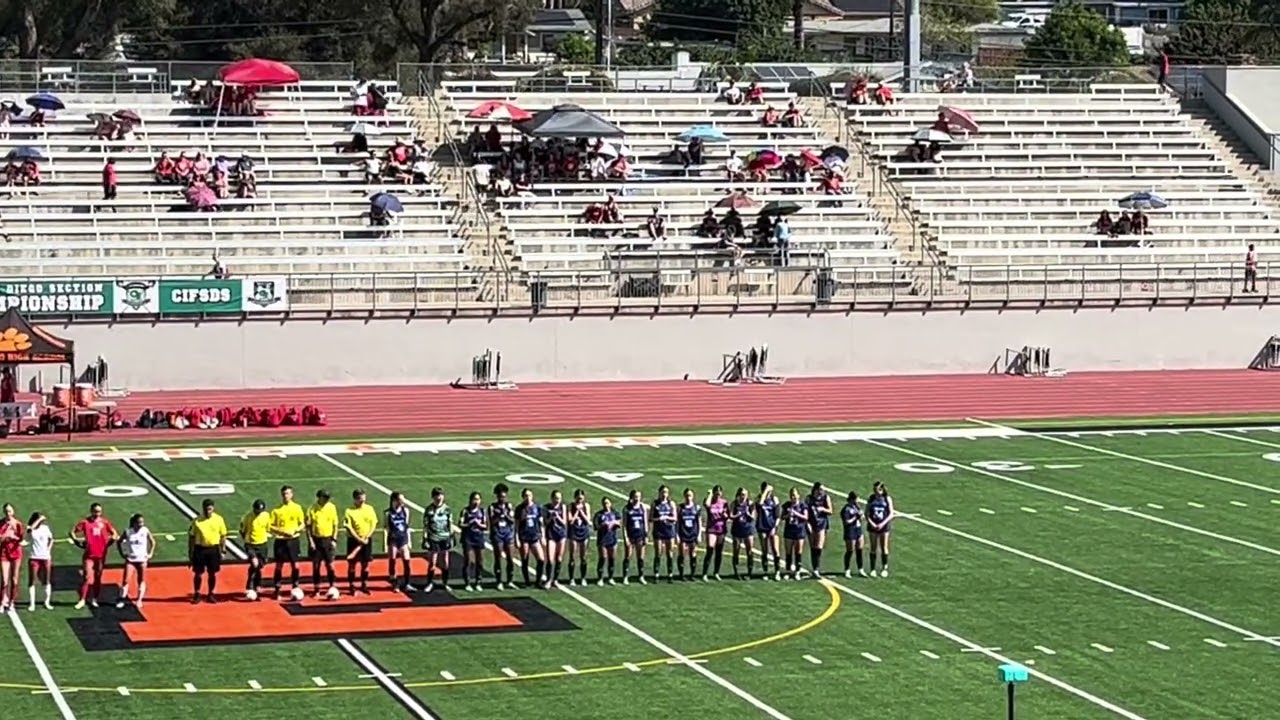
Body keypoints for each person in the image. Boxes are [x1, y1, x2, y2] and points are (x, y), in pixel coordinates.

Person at [70, 503, 117, 609]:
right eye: (95, 511)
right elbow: (72, 532)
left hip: (101, 555)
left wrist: (110, 542)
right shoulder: (85, 522)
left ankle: (94, 599)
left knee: (98, 577)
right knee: (87, 576)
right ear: (91, 511)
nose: (97, 514)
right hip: (89, 554)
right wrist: (77, 542)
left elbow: (114, 533)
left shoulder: (105, 522)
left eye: (99, 511)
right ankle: (82, 599)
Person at [269, 485, 305, 600]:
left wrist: (295, 530)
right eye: (284, 494)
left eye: (288, 493)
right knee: (279, 566)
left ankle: (295, 586)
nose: (286, 496)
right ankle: (277, 588)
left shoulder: (297, 508)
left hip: (293, 540)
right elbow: (270, 526)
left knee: (295, 565)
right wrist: (282, 532)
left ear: (292, 494)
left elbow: (302, 524)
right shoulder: (276, 510)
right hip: (280, 541)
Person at [188, 499, 227, 604]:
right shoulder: (197, 521)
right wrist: (190, 552)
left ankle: (211, 593)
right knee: (198, 573)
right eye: (206, 509)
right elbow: (191, 537)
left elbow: (223, 535)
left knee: (212, 573)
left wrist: (223, 550)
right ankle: (197, 593)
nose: (208, 511)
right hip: (200, 549)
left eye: (210, 509)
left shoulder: (219, 519)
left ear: (213, 508)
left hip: (213, 549)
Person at [306, 489, 340, 599]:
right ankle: (316, 589)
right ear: (319, 497)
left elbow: (335, 525)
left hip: (328, 539)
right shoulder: (312, 509)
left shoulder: (331, 507)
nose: (326, 500)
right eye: (324, 497)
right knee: (316, 566)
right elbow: (308, 527)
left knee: (330, 565)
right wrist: (310, 541)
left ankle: (332, 586)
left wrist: (334, 539)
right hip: (316, 540)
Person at [116, 513, 154, 609]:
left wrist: (150, 553)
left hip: (142, 560)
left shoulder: (145, 530)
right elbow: (119, 542)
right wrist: (122, 553)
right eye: (139, 522)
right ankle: (121, 599)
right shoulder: (128, 531)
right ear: (134, 523)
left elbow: (152, 541)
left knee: (141, 580)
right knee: (125, 580)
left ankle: (139, 600)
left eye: (142, 522)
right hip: (131, 560)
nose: (141, 524)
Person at [344, 489, 378, 596]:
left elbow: (373, 524)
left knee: (365, 564)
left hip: (366, 539)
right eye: (360, 499)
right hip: (353, 540)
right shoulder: (349, 511)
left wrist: (367, 536)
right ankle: (352, 586)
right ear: (355, 499)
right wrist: (359, 539)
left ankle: (364, 585)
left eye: (364, 499)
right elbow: (349, 527)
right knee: (352, 564)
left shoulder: (369, 509)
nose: (362, 501)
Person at [422, 487, 453, 593]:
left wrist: (451, 536)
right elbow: (425, 525)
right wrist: (425, 538)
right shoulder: (429, 509)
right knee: (432, 562)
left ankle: (445, 583)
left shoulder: (447, 509)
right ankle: (430, 583)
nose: (439, 498)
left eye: (441, 495)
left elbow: (450, 523)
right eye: (437, 496)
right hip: (433, 538)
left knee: (445, 561)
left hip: (445, 537)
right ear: (433, 497)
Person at [240, 499, 271, 600]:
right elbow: (243, 530)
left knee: (260, 566)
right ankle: (250, 585)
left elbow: (268, 528)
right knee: (255, 564)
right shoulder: (248, 517)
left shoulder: (266, 516)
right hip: (251, 544)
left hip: (262, 544)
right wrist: (246, 540)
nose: (258, 512)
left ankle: (257, 585)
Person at [515, 488, 546, 588]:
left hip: (534, 536)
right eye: (525, 496)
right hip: (524, 536)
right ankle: (527, 581)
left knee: (541, 559)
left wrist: (543, 536)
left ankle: (538, 581)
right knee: (525, 559)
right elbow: (516, 525)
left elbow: (541, 523)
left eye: (529, 495)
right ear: (522, 497)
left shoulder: (537, 507)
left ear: (532, 496)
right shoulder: (520, 509)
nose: (527, 498)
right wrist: (516, 538)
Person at [488, 484, 516, 590]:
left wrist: (506, 514)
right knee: (498, 558)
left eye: (504, 497)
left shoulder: (509, 506)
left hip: (508, 534)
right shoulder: (492, 507)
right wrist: (498, 515)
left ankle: (510, 580)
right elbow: (492, 521)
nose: (502, 499)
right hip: (498, 533)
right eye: (500, 497)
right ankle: (499, 581)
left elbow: (512, 520)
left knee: (510, 557)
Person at [385, 492, 413, 591]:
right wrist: (386, 543)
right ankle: (394, 582)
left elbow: (407, 526)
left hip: (403, 538)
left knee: (406, 560)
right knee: (392, 560)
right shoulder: (388, 513)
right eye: (400, 500)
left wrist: (409, 541)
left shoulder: (406, 511)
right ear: (395, 501)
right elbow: (387, 528)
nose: (403, 502)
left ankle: (407, 583)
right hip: (393, 539)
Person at [865, 481, 894, 577]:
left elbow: (891, 513)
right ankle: (872, 569)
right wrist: (871, 523)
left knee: (884, 547)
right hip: (873, 525)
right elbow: (867, 513)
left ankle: (884, 567)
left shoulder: (887, 499)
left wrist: (883, 523)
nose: (875, 492)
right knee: (873, 547)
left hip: (884, 526)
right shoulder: (871, 498)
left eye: (877, 489)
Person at [459, 492, 487, 592]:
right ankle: (467, 582)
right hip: (468, 538)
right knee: (469, 561)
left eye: (478, 499)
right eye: (475, 499)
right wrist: (470, 523)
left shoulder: (482, 511)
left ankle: (478, 581)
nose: (476, 502)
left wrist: (479, 524)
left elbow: (486, 526)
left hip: (479, 538)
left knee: (480, 561)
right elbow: (461, 524)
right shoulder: (465, 511)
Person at [26, 513, 53, 611]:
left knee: (46, 580)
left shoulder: (45, 528)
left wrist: (48, 549)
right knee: (32, 581)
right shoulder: (30, 528)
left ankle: (47, 602)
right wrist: (39, 519)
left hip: (45, 557)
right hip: (34, 557)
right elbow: (30, 530)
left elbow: (51, 539)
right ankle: (32, 603)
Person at [650, 485, 676, 583]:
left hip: (669, 530)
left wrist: (667, 518)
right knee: (658, 552)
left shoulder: (671, 503)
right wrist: (658, 519)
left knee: (670, 553)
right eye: (663, 492)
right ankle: (656, 574)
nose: (664, 494)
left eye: (666, 492)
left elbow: (675, 518)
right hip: (658, 530)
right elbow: (650, 518)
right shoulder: (655, 503)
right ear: (659, 492)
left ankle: (670, 574)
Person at [701, 486, 728, 581]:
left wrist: (725, 516)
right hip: (712, 528)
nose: (718, 494)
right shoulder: (709, 500)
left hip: (721, 528)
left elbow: (727, 514)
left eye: (719, 492)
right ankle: (704, 573)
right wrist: (710, 494)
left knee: (719, 551)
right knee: (710, 549)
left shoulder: (724, 502)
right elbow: (706, 504)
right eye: (716, 492)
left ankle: (716, 572)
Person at [621, 489, 648, 585]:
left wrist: (646, 535)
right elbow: (624, 525)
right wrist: (625, 537)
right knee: (628, 556)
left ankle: (641, 576)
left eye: (639, 497)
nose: (637, 499)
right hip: (631, 535)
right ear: (632, 497)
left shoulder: (642, 508)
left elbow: (645, 522)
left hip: (640, 535)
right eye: (636, 497)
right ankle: (625, 576)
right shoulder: (627, 509)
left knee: (640, 557)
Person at [806, 481, 833, 578]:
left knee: (819, 546)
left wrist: (822, 509)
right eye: (820, 490)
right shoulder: (809, 499)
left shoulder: (826, 498)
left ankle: (816, 568)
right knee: (813, 547)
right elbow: (806, 511)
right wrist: (807, 523)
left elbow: (830, 511)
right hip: (811, 523)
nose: (822, 491)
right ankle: (814, 568)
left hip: (821, 523)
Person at [756, 482, 782, 581]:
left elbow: (778, 514)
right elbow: (760, 504)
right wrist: (765, 491)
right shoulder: (759, 498)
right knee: (764, 550)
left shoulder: (774, 499)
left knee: (775, 550)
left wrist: (775, 526)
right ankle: (765, 571)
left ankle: (777, 571)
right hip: (762, 526)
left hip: (771, 527)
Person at [782, 488, 809, 580]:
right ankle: (788, 571)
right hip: (789, 530)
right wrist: (788, 515)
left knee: (798, 552)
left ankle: (797, 571)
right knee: (788, 552)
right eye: (791, 495)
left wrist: (796, 513)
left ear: (798, 495)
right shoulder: (786, 505)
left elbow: (806, 517)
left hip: (799, 530)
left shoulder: (802, 506)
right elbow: (782, 516)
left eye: (794, 495)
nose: (793, 497)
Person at [729, 487, 756, 580]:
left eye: (745, 494)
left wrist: (748, 514)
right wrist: (738, 515)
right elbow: (730, 515)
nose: (743, 496)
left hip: (748, 529)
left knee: (749, 550)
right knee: (736, 550)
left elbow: (753, 517)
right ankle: (736, 572)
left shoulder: (750, 503)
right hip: (737, 529)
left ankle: (749, 572)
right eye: (742, 494)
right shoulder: (735, 503)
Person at [566, 490, 592, 586]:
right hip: (573, 532)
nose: (580, 500)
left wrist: (581, 511)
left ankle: (583, 578)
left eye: (581, 498)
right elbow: (570, 521)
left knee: (583, 557)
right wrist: (577, 511)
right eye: (578, 498)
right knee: (572, 556)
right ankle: (571, 578)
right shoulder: (570, 506)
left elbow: (588, 520)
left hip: (583, 532)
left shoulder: (586, 506)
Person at [0, 504, 22, 612]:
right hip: (4, 553)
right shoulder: (1, 523)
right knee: (4, 580)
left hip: (16, 553)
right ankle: (2, 601)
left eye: (9, 511)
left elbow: (21, 538)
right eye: (6, 511)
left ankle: (12, 602)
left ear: (13, 512)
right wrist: (5, 536)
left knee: (14, 579)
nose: (8, 514)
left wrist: (14, 537)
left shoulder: (17, 524)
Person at [543, 489, 567, 589]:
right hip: (551, 534)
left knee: (559, 558)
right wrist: (551, 518)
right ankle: (548, 579)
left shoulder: (563, 507)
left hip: (561, 534)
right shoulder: (546, 508)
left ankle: (555, 580)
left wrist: (558, 517)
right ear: (552, 498)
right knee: (550, 558)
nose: (558, 500)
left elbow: (564, 522)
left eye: (559, 498)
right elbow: (545, 522)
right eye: (556, 498)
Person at [594, 497, 620, 586]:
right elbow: (596, 527)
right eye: (604, 503)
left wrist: (613, 523)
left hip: (612, 538)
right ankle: (600, 578)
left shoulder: (615, 513)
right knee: (603, 558)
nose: (606, 505)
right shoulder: (598, 515)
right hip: (602, 539)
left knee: (612, 559)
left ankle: (610, 577)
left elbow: (619, 522)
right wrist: (603, 525)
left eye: (608, 503)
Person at [676, 489, 701, 581]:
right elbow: (677, 522)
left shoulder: (696, 507)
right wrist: (677, 535)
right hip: (683, 534)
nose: (688, 497)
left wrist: (699, 535)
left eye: (690, 495)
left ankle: (692, 574)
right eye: (687, 495)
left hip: (693, 534)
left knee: (693, 554)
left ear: (693, 496)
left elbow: (699, 521)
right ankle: (681, 574)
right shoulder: (680, 508)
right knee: (682, 554)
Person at [841, 491, 866, 578]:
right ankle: (847, 569)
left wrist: (861, 516)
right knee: (850, 550)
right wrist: (856, 517)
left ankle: (861, 569)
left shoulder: (857, 507)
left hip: (858, 529)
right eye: (856, 499)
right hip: (850, 530)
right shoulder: (846, 509)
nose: (858, 500)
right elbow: (846, 521)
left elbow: (862, 518)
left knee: (859, 550)